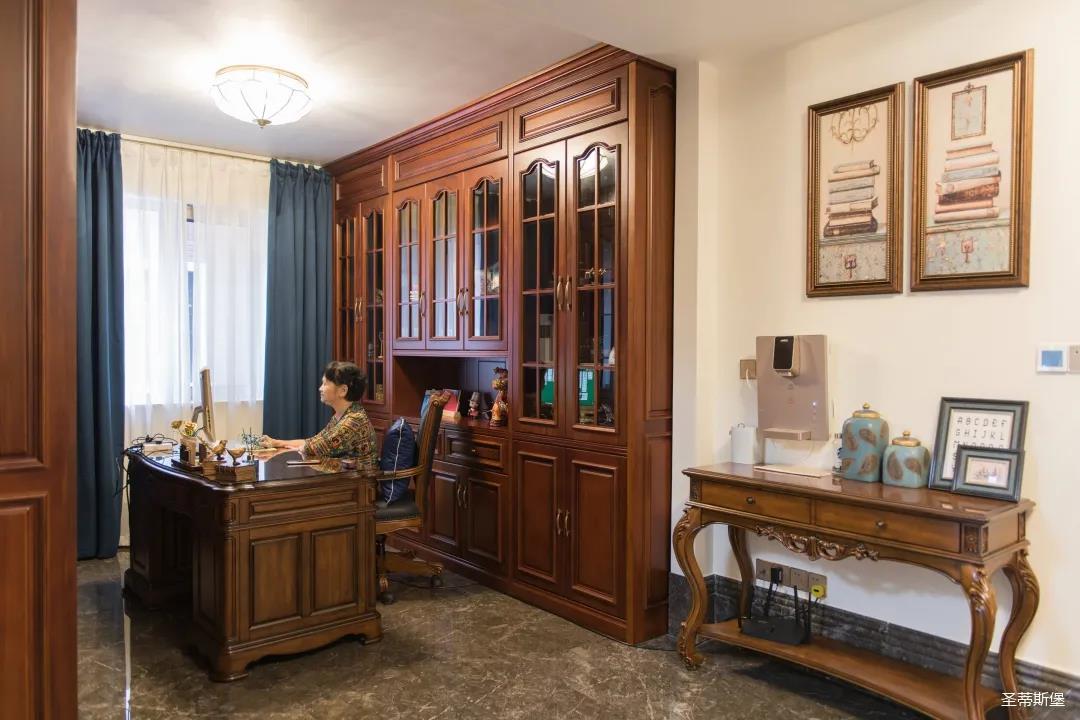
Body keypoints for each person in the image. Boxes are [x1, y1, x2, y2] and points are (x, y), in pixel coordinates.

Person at [262, 361, 378, 470]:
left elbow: (313, 448)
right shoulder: (342, 415)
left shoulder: (354, 420)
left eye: (325, 384)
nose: (320, 388)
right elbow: (312, 442)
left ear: (343, 390)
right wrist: (276, 443)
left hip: (360, 481)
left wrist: (302, 448)